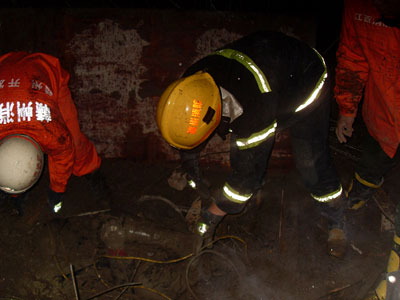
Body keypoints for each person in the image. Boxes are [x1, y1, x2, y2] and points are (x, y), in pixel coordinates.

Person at [157, 30, 347, 258]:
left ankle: (335, 215)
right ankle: (260, 190)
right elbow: (190, 128)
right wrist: (191, 167)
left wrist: (211, 215)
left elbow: (245, 178)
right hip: (270, 68)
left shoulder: (253, 111)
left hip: (307, 81)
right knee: (252, 151)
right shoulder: (191, 85)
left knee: (310, 161)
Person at [334, 0, 400, 298]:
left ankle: (394, 286)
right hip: (384, 115)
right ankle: (358, 197)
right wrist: (347, 109)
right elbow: (353, 55)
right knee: (372, 162)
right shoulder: (360, 6)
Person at [0, 51, 107, 215]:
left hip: (47, 71)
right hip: (5, 66)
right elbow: (13, 168)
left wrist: (57, 189)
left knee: (75, 142)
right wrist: (14, 190)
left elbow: (62, 157)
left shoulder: (53, 133)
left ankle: (91, 171)